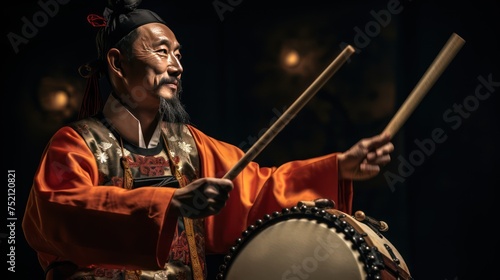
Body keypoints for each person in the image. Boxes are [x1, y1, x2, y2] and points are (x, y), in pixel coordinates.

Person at [22, 1, 394, 279]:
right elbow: (61, 211)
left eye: (179, 54)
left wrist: (338, 166)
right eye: (162, 51)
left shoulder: (188, 146)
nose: (177, 66)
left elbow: (258, 190)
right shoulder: (76, 144)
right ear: (117, 64)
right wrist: (169, 204)